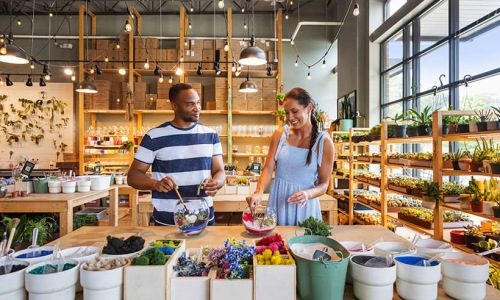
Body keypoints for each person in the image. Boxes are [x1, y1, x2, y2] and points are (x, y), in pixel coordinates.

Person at [127, 83, 226, 226]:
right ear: (174, 106)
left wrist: (217, 183)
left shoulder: (210, 135)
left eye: (198, 103)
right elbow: (133, 176)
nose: (197, 108)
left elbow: (219, 171)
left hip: (204, 218)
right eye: (189, 104)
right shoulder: (154, 137)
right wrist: (155, 184)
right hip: (168, 222)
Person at [246, 87, 334, 225]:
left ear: (309, 108)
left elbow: (324, 184)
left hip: (304, 208)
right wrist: (259, 192)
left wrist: (308, 194)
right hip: (277, 203)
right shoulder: (280, 135)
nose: (290, 118)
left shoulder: (324, 143)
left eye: (294, 112)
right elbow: (268, 169)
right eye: (287, 113)